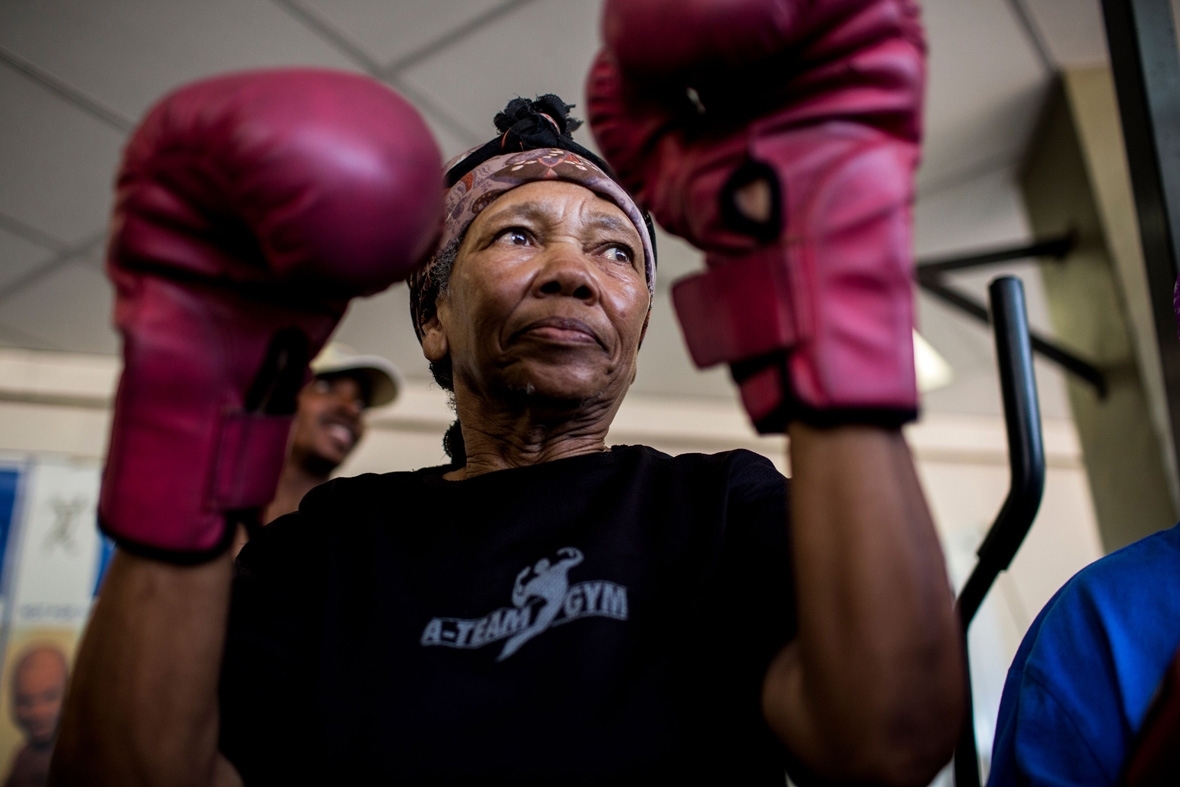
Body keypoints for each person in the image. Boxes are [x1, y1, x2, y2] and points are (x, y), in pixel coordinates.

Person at [51, 2, 964, 784]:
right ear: (435, 321)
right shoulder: (330, 547)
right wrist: (188, 410)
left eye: (615, 251)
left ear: (638, 331)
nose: (574, 272)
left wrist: (828, 275)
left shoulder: (719, 509)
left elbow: (888, 740)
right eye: (518, 236)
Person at [262, 343, 401, 523]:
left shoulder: (360, 534)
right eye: (325, 387)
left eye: (361, 403)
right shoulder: (220, 512)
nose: (352, 409)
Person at [5, 645, 67, 787]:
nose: (38, 712)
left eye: (50, 697)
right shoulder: (24, 758)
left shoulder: (82, 756)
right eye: (24, 701)